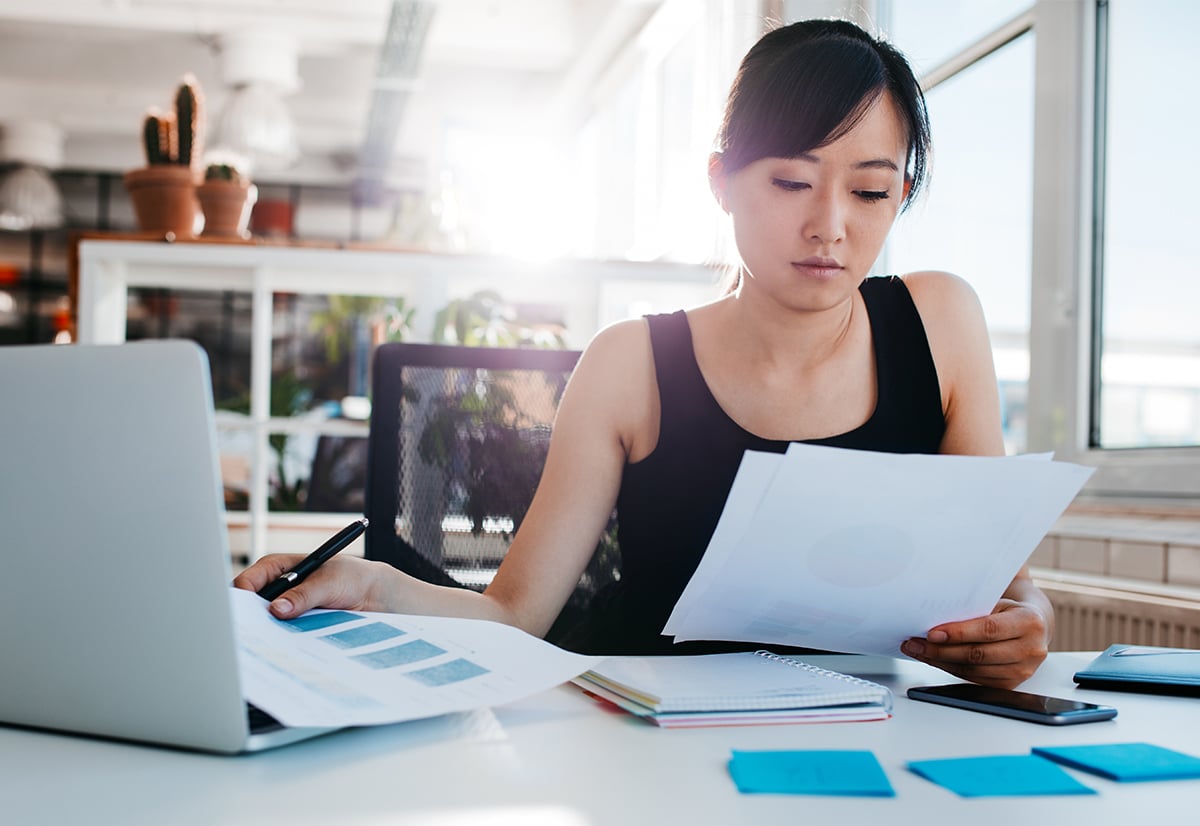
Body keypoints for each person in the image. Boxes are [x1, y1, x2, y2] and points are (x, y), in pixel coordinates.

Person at [235, 18, 1053, 690]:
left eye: (870, 191)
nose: (831, 226)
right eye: (791, 183)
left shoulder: (940, 321)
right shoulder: (631, 363)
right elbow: (517, 613)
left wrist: (1029, 623)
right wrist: (375, 585)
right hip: (656, 739)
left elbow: (994, 581)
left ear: (900, 195)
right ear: (721, 181)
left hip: (881, 739)